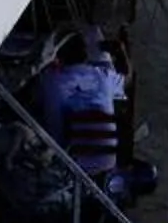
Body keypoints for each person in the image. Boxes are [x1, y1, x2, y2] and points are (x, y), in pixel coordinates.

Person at [36, 27, 126, 182]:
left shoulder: (53, 80)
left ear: (59, 57)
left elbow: (55, 132)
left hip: (77, 166)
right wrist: (121, 51)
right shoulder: (103, 76)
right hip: (108, 162)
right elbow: (127, 78)